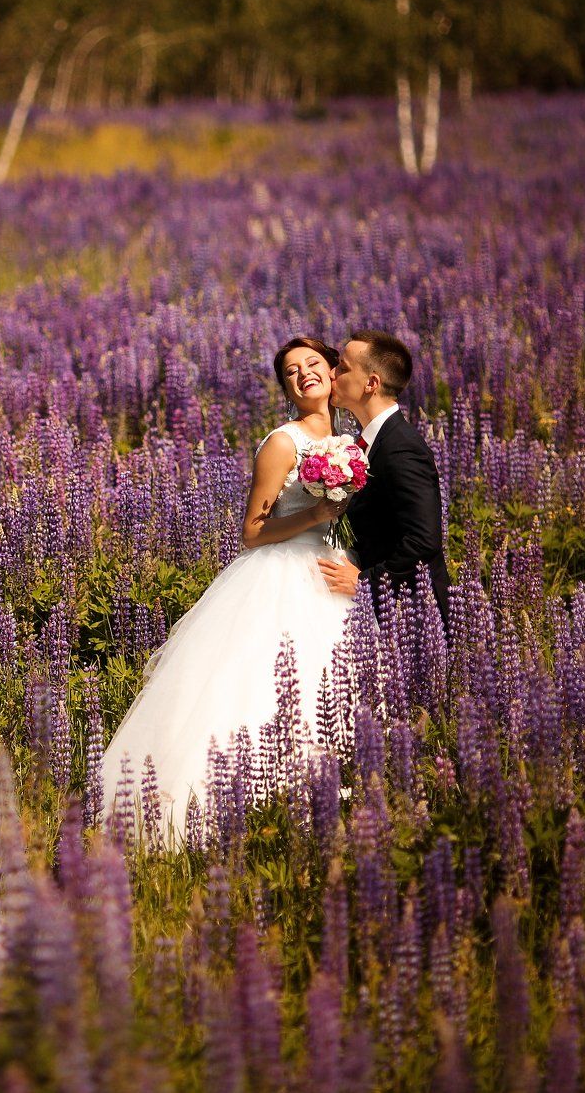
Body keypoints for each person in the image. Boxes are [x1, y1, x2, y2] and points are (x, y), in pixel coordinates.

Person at [100, 336, 355, 843]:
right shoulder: (283, 442)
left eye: (312, 363)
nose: (303, 374)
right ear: (285, 388)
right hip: (283, 573)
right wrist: (316, 513)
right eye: (290, 371)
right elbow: (252, 532)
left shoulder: (352, 441)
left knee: (334, 684)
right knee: (259, 687)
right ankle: (234, 813)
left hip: (336, 570)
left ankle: (334, 803)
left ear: (332, 371)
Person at [316, 330, 450, 619]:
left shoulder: (401, 448)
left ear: (371, 383)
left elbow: (424, 540)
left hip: (412, 613)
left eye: (342, 368)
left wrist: (366, 581)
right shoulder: (368, 441)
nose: (331, 373)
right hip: (385, 609)